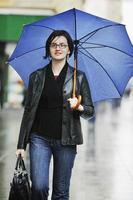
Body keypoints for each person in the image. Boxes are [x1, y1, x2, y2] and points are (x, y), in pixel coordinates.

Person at [16, 30, 94, 200]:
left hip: (66, 140)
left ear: (69, 50)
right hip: (39, 138)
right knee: (39, 187)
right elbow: (28, 111)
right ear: (48, 49)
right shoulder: (36, 76)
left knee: (61, 192)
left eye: (62, 45)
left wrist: (79, 106)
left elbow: (90, 111)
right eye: (54, 44)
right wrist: (21, 144)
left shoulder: (78, 78)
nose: (58, 48)